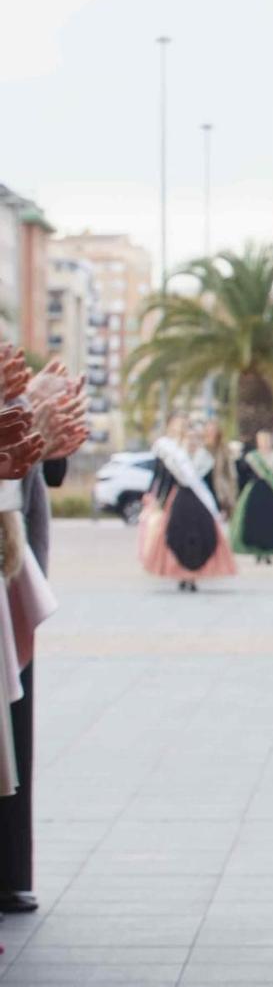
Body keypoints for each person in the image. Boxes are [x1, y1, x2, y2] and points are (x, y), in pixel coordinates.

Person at [0, 350, 84, 915]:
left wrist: (45, 418)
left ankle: (11, 871)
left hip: (15, 564)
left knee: (16, 720)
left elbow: (45, 468)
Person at [139, 414, 237, 592]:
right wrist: (157, 500)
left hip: (200, 505)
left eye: (196, 439)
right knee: (175, 536)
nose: (192, 442)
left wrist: (219, 505)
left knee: (202, 538)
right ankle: (180, 574)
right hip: (179, 502)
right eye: (189, 438)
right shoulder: (176, 457)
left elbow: (209, 485)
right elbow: (164, 480)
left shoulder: (205, 459)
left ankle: (194, 576)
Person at [230, 428, 273, 563]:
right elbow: (243, 478)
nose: (265, 442)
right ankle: (257, 550)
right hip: (255, 493)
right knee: (256, 522)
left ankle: (270, 551)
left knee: (272, 523)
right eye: (262, 439)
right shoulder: (251, 458)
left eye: (267, 439)